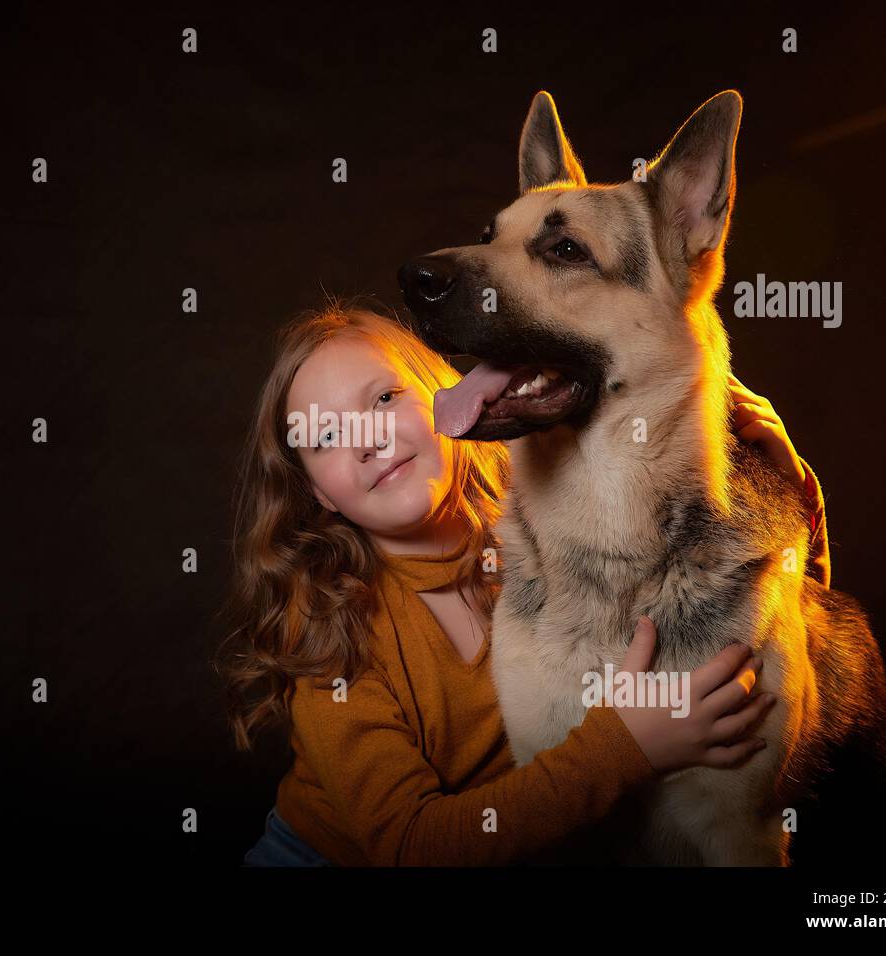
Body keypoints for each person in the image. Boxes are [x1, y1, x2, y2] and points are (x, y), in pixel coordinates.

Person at [215, 294, 830, 867]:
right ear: (318, 492)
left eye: (383, 400)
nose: (370, 440)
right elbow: (409, 844)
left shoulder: (553, 524)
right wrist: (627, 746)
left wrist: (784, 495)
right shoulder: (332, 630)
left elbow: (779, 642)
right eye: (326, 436)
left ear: (449, 398)